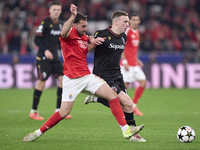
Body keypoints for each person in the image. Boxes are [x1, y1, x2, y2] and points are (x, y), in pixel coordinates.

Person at [22, 4, 144, 142]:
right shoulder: (67, 36)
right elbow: (63, 33)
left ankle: (126, 130)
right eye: (83, 26)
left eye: (86, 26)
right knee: (63, 112)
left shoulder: (83, 36)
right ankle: (37, 133)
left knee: (112, 95)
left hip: (87, 76)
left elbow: (89, 42)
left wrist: (93, 40)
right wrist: (73, 15)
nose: (86, 29)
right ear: (74, 25)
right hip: (72, 79)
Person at [84, 11, 146, 142]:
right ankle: (133, 134)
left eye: (128, 22)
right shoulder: (101, 34)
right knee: (128, 102)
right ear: (116, 22)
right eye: (125, 21)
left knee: (127, 106)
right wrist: (91, 40)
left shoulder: (124, 37)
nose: (127, 24)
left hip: (117, 75)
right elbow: (86, 49)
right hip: (103, 76)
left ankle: (97, 99)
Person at [29, 1, 72, 120]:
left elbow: (60, 41)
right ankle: (33, 111)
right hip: (43, 57)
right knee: (41, 82)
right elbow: (37, 39)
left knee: (63, 80)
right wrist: (46, 50)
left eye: (58, 10)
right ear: (50, 10)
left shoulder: (60, 25)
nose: (56, 12)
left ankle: (58, 110)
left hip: (55, 57)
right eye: (54, 9)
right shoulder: (45, 22)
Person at [120, 13, 146, 116]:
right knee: (126, 88)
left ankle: (134, 105)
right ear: (130, 21)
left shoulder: (137, 32)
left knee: (143, 83)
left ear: (139, 21)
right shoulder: (127, 31)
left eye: (137, 20)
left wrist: (137, 59)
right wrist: (125, 61)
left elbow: (133, 48)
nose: (135, 21)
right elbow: (122, 46)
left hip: (134, 64)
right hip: (127, 65)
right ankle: (124, 108)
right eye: (133, 20)